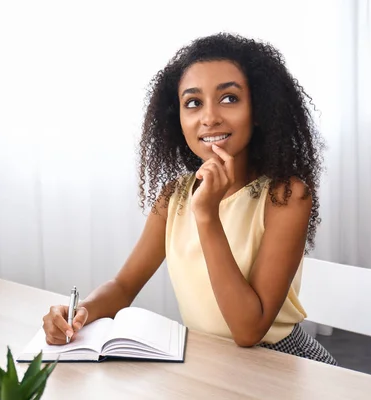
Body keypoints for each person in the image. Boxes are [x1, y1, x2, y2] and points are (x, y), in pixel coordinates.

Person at [42, 32, 337, 365]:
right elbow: (124, 285)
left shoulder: (286, 195)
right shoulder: (174, 196)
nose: (209, 117)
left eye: (229, 98)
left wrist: (207, 215)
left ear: (259, 109)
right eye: (193, 103)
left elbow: (248, 331)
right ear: (177, 118)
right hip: (210, 363)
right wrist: (81, 312)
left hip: (280, 363)